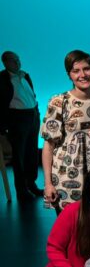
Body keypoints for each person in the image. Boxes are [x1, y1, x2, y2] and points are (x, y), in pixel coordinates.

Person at [41, 50, 90, 212]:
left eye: (87, 69)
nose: (82, 75)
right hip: (66, 177)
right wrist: (48, 184)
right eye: (76, 71)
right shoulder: (59, 102)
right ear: (69, 75)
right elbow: (48, 147)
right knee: (70, 228)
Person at [0, 51, 42, 201]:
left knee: (32, 152)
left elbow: (32, 95)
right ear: (5, 62)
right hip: (17, 118)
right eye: (13, 60)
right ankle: (22, 190)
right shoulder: (2, 79)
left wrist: (36, 111)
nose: (17, 63)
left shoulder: (25, 75)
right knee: (19, 156)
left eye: (18, 59)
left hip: (32, 116)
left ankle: (32, 184)